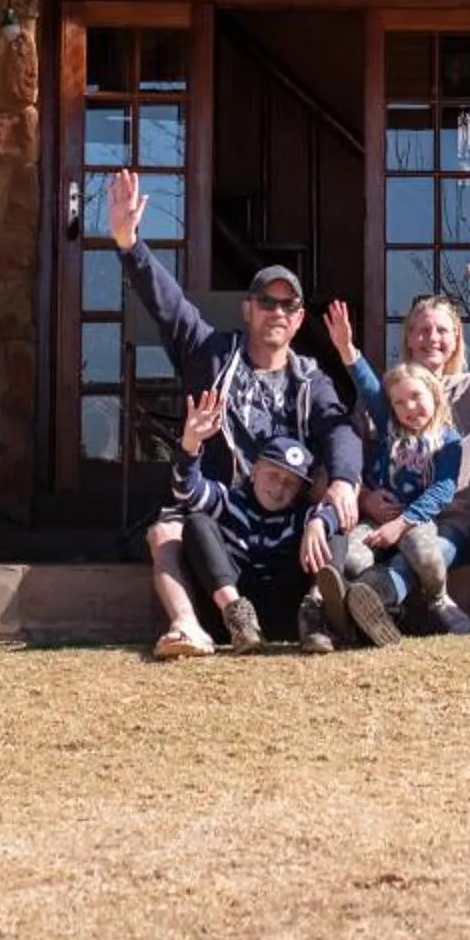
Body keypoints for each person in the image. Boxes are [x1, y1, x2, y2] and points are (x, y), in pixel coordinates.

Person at [108, 168, 362, 660]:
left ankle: (315, 610)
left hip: (283, 521)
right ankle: (188, 627)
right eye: (266, 302)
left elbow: (338, 428)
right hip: (220, 512)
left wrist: (344, 481)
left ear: (299, 319)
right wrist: (128, 242)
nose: (277, 312)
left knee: (340, 516)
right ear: (248, 309)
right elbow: (169, 305)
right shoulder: (211, 354)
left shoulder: (310, 379)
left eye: (288, 306)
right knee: (165, 530)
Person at [327, 283, 470, 638]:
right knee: (356, 554)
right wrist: (365, 499)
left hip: (446, 520)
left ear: (456, 339)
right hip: (384, 515)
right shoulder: (387, 394)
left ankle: (372, 597)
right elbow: (350, 455)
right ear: (408, 337)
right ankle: (344, 609)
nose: (431, 338)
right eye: (422, 330)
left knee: (420, 557)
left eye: (442, 330)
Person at [164, 387, 343, 657]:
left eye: (290, 483)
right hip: (232, 608)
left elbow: (335, 514)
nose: (279, 488)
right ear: (255, 470)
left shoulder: (300, 514)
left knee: (335, 530)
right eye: (273, 475)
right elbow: (187, 490)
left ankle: (317, 614)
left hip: (288, 612)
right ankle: (239, 618)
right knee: (197, 523)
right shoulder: (229, 501)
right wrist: (191, 443)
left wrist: (318, 522)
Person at [319, 360, 465, 646]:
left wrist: (400, 525)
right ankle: (351, 609)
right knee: (352, 559)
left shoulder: (448, 440)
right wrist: (349, 353)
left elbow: (443, 489)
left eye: (416, 397)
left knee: (424, 555)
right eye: (399, 402)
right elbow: (370, 388)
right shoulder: (389, 428)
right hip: (377, 517)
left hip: (414, 520)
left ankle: (438, 598)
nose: (409, 408)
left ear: (434, 395)